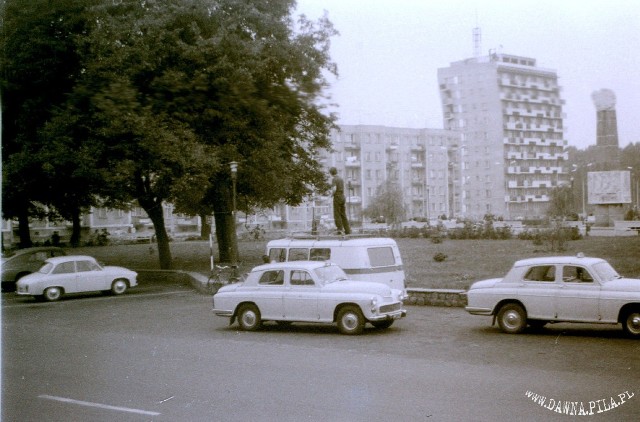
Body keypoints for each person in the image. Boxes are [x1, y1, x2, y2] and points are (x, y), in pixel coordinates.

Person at [329, 167, 350, 235]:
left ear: (331, 173)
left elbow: (334, 189)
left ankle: (340, 229)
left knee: (337, 214)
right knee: (343, 214)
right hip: (342, 197)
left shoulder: (334, 179)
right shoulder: (341, 179)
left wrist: (331, 195)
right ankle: (347, 230)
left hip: (337, 197)